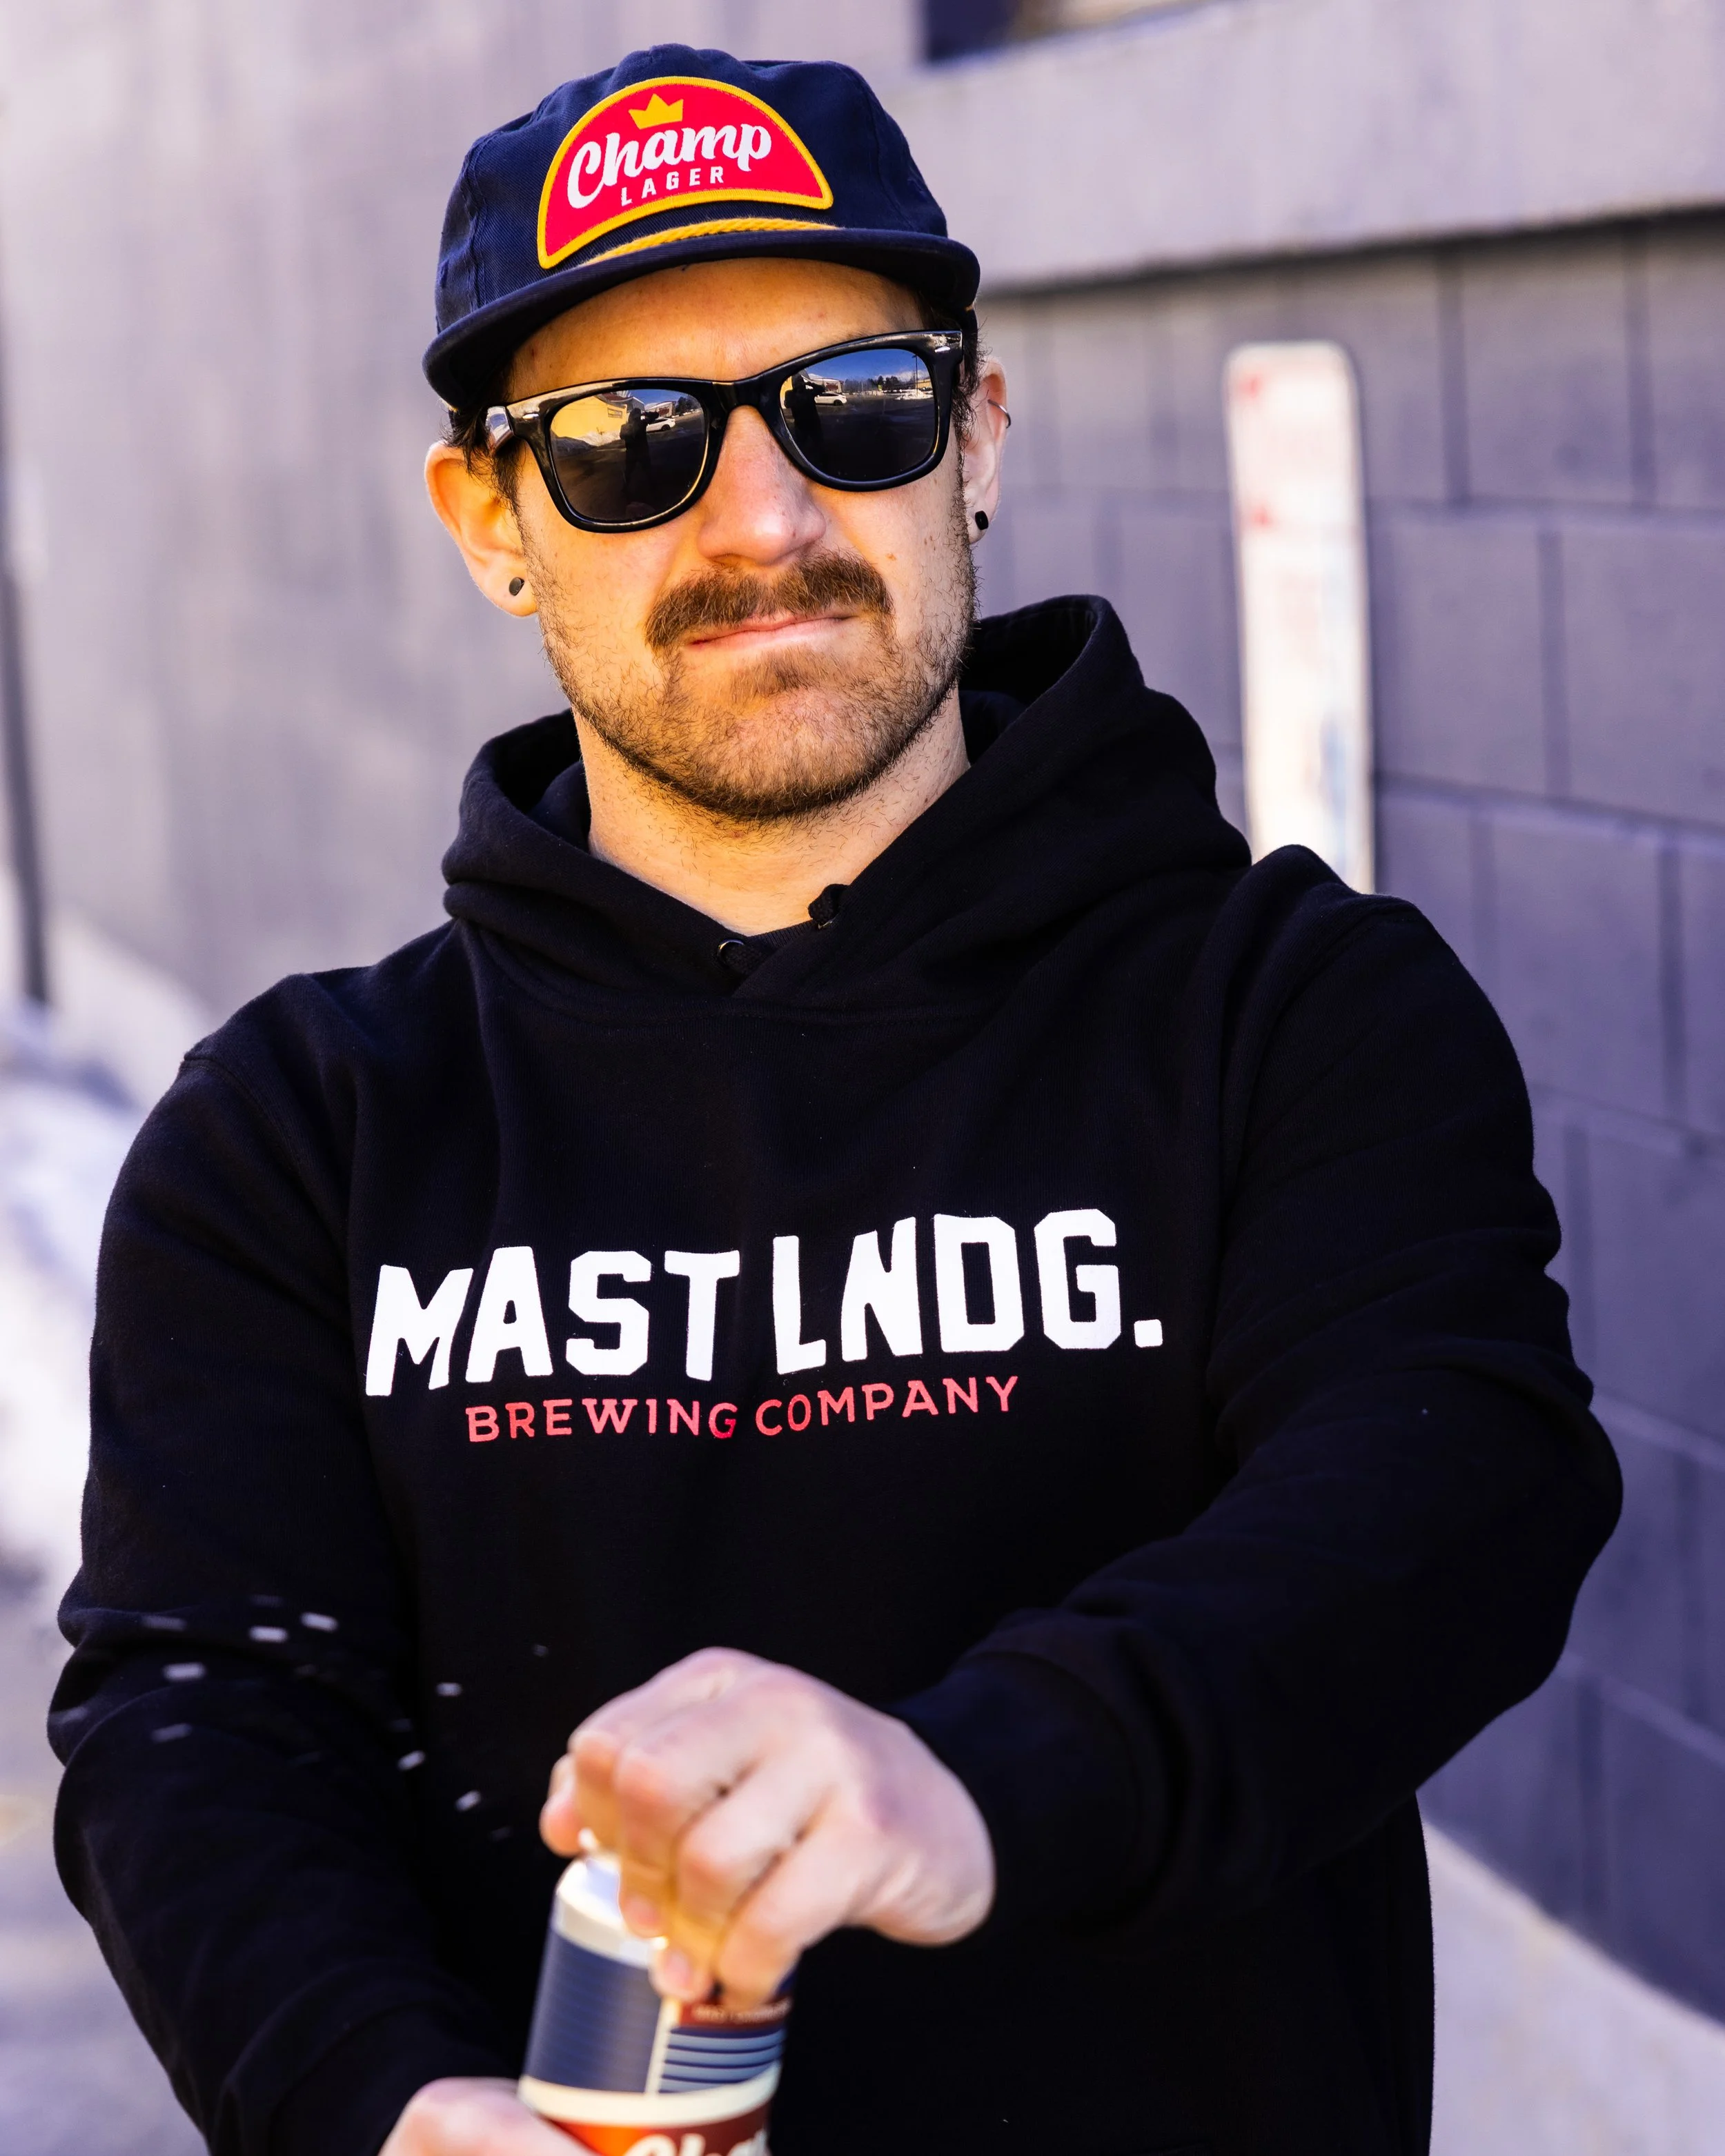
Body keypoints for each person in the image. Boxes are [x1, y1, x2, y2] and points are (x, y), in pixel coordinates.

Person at [51, 44, 1619, 2156]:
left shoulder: (1285, 1006)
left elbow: (1451, 1499)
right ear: (492, 522)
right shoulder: (296, 1138)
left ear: (974, 437)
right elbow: (200, 1718)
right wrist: (386, 2101)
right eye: (629, 445)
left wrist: (962, 1780)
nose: (764, 520)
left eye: (851, 406)